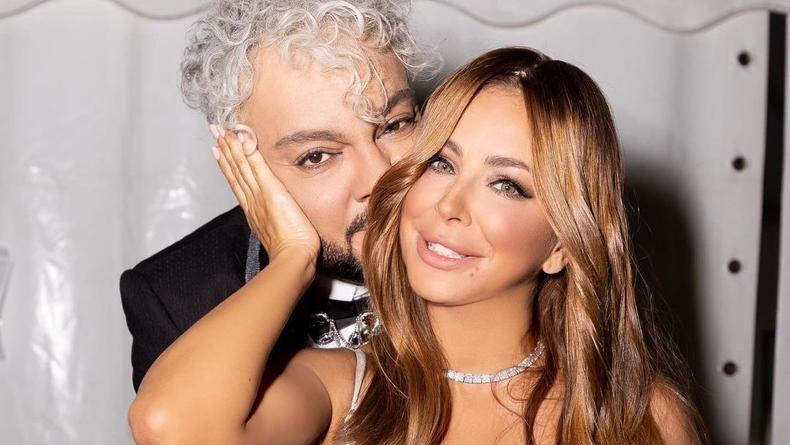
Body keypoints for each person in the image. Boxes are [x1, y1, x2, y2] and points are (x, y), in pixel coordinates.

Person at [129, 47, 709, 444]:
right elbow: (168, 424)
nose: (450, 205)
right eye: (441, 163)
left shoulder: (643, 417)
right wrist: (292, 257)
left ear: (562, 244)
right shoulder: (342, 389)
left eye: (506, 184)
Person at [119, 0, 434, 391]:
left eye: (395, 125)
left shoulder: (489, 244)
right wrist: (293, 261)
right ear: (247, 168)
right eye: (317, 156)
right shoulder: (179, 298)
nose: (382, 177)